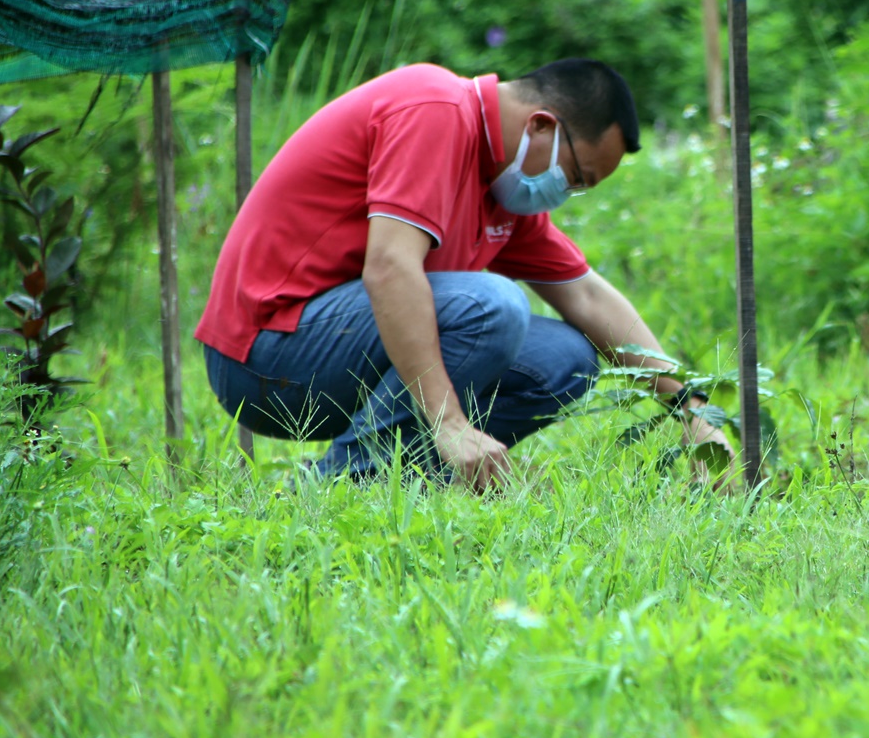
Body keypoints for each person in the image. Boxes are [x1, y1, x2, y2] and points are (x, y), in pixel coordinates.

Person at [195, 59, 735, 491]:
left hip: (329, 352)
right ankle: (335, 486)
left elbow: (588, 296)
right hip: (265, 357)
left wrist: (693, 413)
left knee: (568, 359)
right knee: (491, 306)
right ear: (542, 125)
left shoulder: (503, 194)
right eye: (574, 177)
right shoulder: (433, 107)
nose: (565, 194)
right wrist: (449, 421)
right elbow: (389, 267)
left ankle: (407, 478)